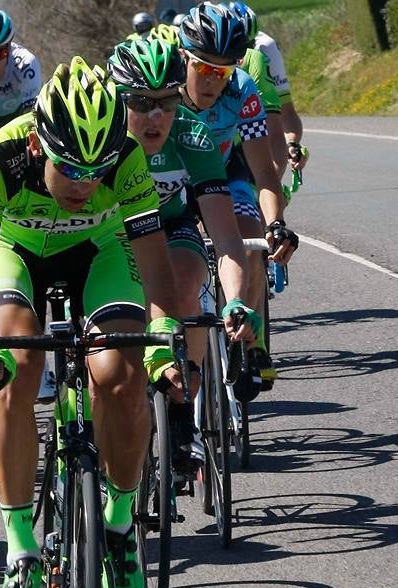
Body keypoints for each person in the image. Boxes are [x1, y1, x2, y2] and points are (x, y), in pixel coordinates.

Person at [0, 56, 253, 588]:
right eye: (70, 167)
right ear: (40, 147)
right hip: (20, 254)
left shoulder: (127, 159)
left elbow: (157, 271)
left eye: (97, 169)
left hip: (102, 253)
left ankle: (118, 528)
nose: (85, 182)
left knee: (121, 374)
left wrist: (165, 348)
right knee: (13, 367)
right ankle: (21, 551)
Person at [108, 37, 256, 466]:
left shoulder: (193, 135)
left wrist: (239, 301)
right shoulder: (102, 138)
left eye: (168, 101)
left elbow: (226, 238)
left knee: (186, 282)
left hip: (170, 227)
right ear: (118, 99)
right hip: (108, 237)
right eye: (141, 101)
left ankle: (178, 412)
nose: (156, 116)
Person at [176, 3, 299, 387]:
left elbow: (263, 171)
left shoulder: (242, 89)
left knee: (252, 241)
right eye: (205, 68)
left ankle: (249, 343)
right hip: (175, 182)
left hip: (226, 174)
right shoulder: (162, 91)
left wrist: (276, 224)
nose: (215, 80)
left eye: (224, 70)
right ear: (183, 58)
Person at [229, 1, 309, 179]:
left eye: (250, 43)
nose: (245, 53)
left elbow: (286, 113)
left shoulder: (265, 48)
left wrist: (292, 144)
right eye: (239, 46)